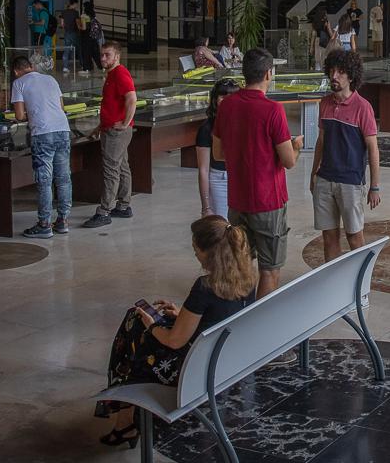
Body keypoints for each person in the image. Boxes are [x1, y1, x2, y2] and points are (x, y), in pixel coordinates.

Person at [94, 216, 256, 447]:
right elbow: (219, 316)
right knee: (143, 329)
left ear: (210, 252)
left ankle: (125, 419)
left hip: (192, 369)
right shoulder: (247, 280)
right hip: (224, 359)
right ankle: (125, 420)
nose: (194, 253)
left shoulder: (205, 287)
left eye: (195, 248)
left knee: (136, 324)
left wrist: (152, 325)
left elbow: (174, 341)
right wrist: (183, 314)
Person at [214, 48, 305, 298]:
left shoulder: (227, 106)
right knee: (270, 268)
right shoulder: (272, 110)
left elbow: (218, 153)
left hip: (237, 200)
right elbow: (288, 161)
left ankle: (239, 317)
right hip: (268, 201)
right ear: (268, 73)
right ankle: (261, 328)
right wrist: (296, 147)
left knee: (241, 265)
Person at [310, 49, 381, 261]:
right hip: (325, 179)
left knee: (354, 238)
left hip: (350, 182)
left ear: (351, 76)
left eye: (340, 72)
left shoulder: (363, 107)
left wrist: (375, 186)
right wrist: (313, 174)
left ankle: (360, 287)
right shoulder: (324, 103)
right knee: (329, 237)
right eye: (332, 71)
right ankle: (335, 284)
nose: (334, 76)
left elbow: (373, 149)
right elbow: (321, 141)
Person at [10, 55, 72, 238]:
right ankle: (63, 221)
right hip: (63, 129)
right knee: (63, 178)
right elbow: (60, 107)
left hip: (43, 133)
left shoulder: (19, 83)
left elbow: (20, 115)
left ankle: (44, 224)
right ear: (31, 66)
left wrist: (34, 114)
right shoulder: (50, 79)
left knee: (44, 180)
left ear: (16, 71)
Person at [83, 41, 137, 228]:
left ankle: (104, 211)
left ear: (117, 56)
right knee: (122, 166)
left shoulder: (120, 73)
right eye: (102, 54)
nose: (103, 58)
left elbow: (132, 98)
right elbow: (113, 104)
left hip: (117, 132)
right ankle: (123, 205)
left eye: (107, 55)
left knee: (111, 169)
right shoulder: (111, 74)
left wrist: (125, 122)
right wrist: (100, 126)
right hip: (111, 128)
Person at [196, 79, 240, 217]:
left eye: (232, 96)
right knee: (223, 226)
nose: (227, 100)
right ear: (215, 100)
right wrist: (206, 207)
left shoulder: (244, 123)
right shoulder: (206, 128)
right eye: (223, 96)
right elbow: (203, 170)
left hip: (242, 176)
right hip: (220, 179)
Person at [60, 0, 81, 73]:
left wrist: (66, 27)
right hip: (74, 32)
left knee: (66, 49)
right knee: (78, 48)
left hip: (67, 33)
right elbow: (78, 23)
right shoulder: (75, 12)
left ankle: (65, 67)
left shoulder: (64, 12)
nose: (77, 5)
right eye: (77, 4)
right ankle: (82, 65)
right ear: (74, 4)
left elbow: (62, 24)